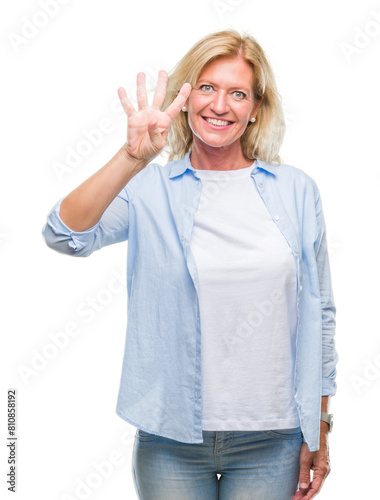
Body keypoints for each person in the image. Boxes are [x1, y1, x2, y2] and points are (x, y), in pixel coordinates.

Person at [42, 29, 338, 500]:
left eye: (237, 93)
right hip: (170, 440)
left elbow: (321, 317)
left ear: (256, 107)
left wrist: (319, 428)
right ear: (184, 97)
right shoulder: (150, 187)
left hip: (273, 437)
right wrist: (130, 158)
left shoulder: (297, 190)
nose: (220, 106)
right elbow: (64, 234)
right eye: (207, 88)